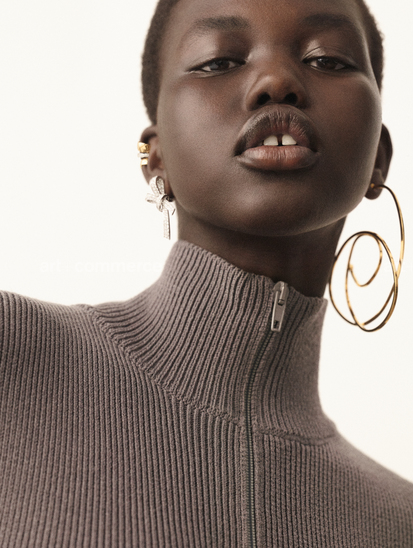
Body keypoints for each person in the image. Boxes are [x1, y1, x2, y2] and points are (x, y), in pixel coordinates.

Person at [0, 0, 412, 546]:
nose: (276, 82)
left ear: (379, 157)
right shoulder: (12, 357)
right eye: (219, 62)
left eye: (327, 59)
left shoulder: (400, 520)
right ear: (155, 159)